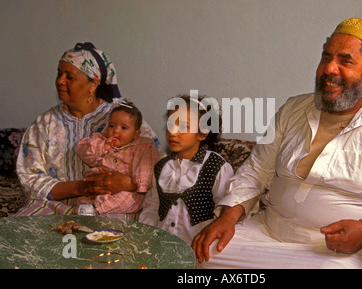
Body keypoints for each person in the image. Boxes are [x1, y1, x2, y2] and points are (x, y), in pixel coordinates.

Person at [191, 18, 362, 269]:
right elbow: (257, 170)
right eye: (326, 58)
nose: (329, 69)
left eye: (345, 61)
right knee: (201, 255)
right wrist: (229, 215)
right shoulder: (292, 109)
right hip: (264, 232)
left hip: (334, 255)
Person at [15, 42, 162, 220]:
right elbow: (29, 177)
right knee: (14, 234)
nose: (60, 81)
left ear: (93, 83)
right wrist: (81, 188)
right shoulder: (45, 123)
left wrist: (129, 183)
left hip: (115, 207)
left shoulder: (122, 119)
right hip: (54, 207)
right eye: (59, 73)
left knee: (118, 240)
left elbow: (158, 165)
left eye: (70, 77)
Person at [139, 94, 235, 244]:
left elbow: (225, 212)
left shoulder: (216, 166)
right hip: (163, 247)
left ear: (202, 133)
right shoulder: (161, 167)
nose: (173, 132)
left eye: (183, 126)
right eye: (170, 124)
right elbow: (152, 207)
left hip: (199, 250)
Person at [75, 100, 159, 218]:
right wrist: (102, 147)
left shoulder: (142, 146)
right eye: (112, 125)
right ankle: (86, 206)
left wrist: (141, 184)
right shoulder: (100, 139)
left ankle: (96, 208)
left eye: (124, 127)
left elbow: (146, 166)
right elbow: (83, 151)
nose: (116, 130)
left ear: (136, 134)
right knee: (89, 190)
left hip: (127, 189)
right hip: (99, 182)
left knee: (132, 199)